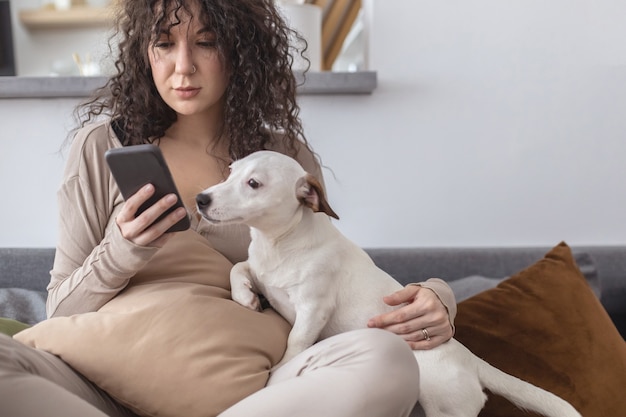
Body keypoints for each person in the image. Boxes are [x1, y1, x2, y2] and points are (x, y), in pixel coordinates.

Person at [0, 1, 456, 416]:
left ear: (240, 51)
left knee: (388, 361)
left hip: (254, 393)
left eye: (206, 43)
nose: (183, 67)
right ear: (144, 53)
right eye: (164, 43)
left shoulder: (285, 161)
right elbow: (59, 312)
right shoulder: (100, 147)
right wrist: (123, 248)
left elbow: (332, 278)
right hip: (104, 387)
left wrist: (440, 296)